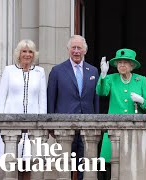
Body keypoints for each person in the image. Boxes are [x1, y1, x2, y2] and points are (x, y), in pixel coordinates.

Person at [47, 35, 99, 180]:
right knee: (65, 166)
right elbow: (51, 99)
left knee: (86, 166)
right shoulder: (57, 71)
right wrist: (51, 124)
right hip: (64, 126)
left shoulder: (93, 71)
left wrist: (97, 123)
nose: (76, 51)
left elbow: (96, 100)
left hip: (87, 126)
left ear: (85, 51)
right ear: (68, 50)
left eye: (79, 48)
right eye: (73, 48)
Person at [0, 39, 47, 179]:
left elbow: (42, 100)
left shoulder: (40, 72)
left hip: (33, 126)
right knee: (11, 163)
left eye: (30, 51)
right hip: (11, 124)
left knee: (29, 164)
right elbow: (1, 98)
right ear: (19, 53)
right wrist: (0, 124)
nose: (27, 54)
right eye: (24, 51)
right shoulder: (9, 70)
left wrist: (42, 125)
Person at [96, 48, 146, 114]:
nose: (122, 65)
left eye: (125, 62)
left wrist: (142, 101)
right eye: (119, 62)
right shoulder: (111, 78)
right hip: (115, 122)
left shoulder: (141, 80)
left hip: (135, 123)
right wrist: (103, 74)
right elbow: (101, 92)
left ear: (132, 65)